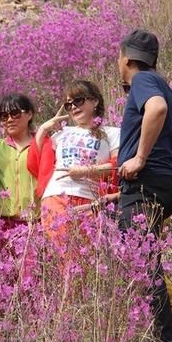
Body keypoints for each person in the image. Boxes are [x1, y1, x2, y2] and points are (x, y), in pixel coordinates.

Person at [116, 29, 172, 342]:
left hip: (146, 184)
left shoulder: (144, 82)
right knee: (144, 259)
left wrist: (139, 158)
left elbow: (154, 110)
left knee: (145, 265)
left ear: (125, 59)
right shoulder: (167, 88)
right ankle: (155, 341)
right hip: (168, 184)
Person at [29, 80, 120, 254]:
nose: (73, 108)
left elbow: (116, 165)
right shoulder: (62, 133)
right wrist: (43, 130)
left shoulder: (113, 133)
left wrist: (84, 171)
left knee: (87, 259)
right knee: (65, 256)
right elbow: (35, 164)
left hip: (91, 200)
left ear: (94, 101)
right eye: (68, 104)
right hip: (56, 197)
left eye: (78, 101)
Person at [0, 93, 39, 227]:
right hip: (4, 224)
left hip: (37, 223)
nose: (9, 119)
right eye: (4, 116)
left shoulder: (44, 145)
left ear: (29, 114)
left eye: (15, 114)